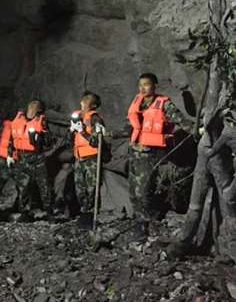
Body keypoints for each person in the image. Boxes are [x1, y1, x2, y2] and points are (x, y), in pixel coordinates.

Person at [119, 73, 196, 239]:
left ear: (154, 85)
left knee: (144, 189)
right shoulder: (137, 102)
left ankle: (144, 225)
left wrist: (197, 130)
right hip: (134, 152)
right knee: (134, 189)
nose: (142, 88)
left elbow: (180, 120)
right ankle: (139, 220)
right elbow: (129, 127)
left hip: (151, 153)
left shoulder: (164, 103)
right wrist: (110, 134)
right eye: (140, 85)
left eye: (146, 84)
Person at [10, 99, 51, 219]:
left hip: (37, 157)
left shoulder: (41, 122)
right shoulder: (18, 119)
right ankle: (24, 213)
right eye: (31, 105)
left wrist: (39, 138)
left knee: (44, 185)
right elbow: (12, 139)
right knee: (23, 186)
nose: (33, 108)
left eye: (36, 106)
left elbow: (49, 142)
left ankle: (48, 211)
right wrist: (10, 155)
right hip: (22, 157)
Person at [69, 91, 106, 226]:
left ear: (94, 105)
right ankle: (84, 212)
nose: (84, 102)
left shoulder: (95, 119)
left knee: (92, 187)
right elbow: (70, 141)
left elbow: (97, 141)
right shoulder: (77, 117)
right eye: (83, 99)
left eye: (88, 100)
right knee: (80, 187)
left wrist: (83, 132)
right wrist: (72, 131)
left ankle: (91, 215)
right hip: (79, 157)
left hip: (92, 157)